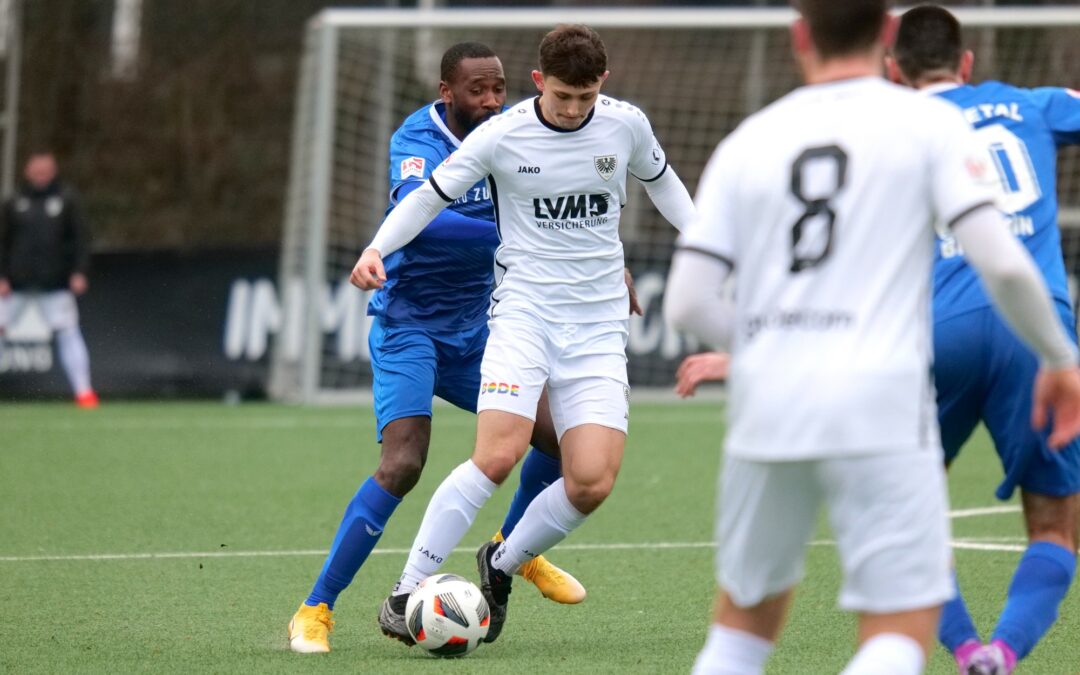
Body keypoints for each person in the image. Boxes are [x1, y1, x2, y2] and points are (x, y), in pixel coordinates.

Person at [663, 0, 1080, 672]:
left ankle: (974, 647)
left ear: (799, 35)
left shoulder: (751, 138)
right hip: (885, 388)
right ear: (884, 37)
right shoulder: (924, 125)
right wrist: (1062, 358)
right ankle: (992, 651)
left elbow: (687, 297)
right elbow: (1001, 259)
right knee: (894, 628)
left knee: (739, 630)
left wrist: (758, 349)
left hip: (777, 398)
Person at [351, 24, 696, 644]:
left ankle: (501, 563)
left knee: (590, 482)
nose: (573, 110)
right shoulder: (502, 136)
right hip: (523, 317)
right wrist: (377, 248)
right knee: (497, 455)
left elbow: (663, 182)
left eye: (586, 99)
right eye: (563, 96)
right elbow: (428, 198)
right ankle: (406, 591)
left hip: (596, 329)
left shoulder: (626, 125)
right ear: (539, 82)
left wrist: (705, 247)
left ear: (603, 86)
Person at [287, 42, 587, 655]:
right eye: (477, 90)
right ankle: (316, 607)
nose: (491, 101)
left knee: (558, 437)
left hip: (478, 331)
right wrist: (517, 230)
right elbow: (422, 215)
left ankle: (513, 550)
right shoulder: (415, 140)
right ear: (446, 91)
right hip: (409, 327)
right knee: (403, 463)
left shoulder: (514, 133)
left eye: (499, 88)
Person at [886, 6, 1080, 673]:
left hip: (937, 328)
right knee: (1056, 524)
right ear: (966, 63)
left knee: (906, 515)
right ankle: (1003, 651)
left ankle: (965, 646)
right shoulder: (1035, 104)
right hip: (1039, 325)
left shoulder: (890, 130)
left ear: (893, 72)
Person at [0, 151, 97, 408]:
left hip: (55, 283)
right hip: (15, 284)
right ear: (27, 171)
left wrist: (79, 271)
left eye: (45, 171)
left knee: (68, 333)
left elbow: (80, 238)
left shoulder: (67, 199)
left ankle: (84, 392)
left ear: (53, 171)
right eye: (36, 171)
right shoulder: (14, 201)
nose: (40, 176)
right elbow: (3, 241)